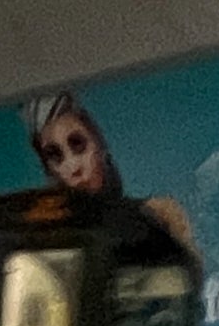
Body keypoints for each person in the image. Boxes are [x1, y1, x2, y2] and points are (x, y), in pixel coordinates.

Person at [24, 89, 196, 254]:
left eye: (78, 145)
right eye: (55, 156)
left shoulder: (161, 216)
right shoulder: (48, 246)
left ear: (98, 144)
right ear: (49, 170)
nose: (73, 167)